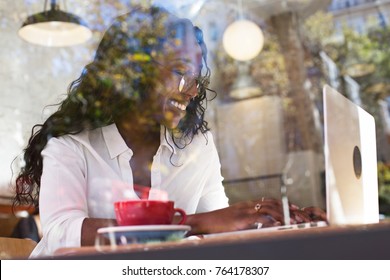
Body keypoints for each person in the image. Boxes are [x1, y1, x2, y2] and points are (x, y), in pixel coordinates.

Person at [13, 5, 325, 257]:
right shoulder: (71, 149)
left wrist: (280, 223)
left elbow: (216, 228)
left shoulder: (196, 146)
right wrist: (193, 223)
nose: (191, 91)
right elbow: (60, 236)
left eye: (197, 78)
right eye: (179, 71)